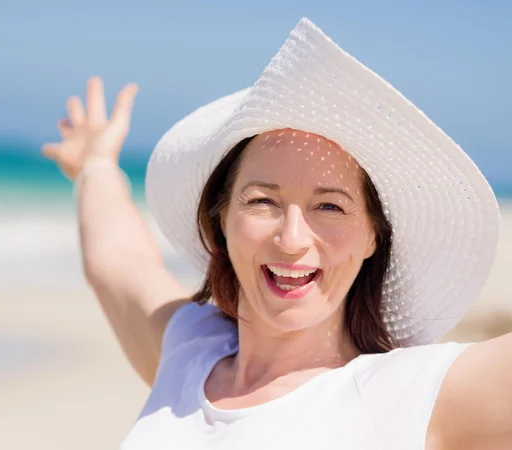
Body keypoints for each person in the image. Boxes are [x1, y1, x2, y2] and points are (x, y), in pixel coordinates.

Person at [42, 17, 510, 450]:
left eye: (329, 207)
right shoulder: (188, 350)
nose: (291, 239)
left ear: (373, 237)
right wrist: (96, 166)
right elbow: (117, 260)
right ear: (221, 220)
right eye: (262, 201)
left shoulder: (407, 393)